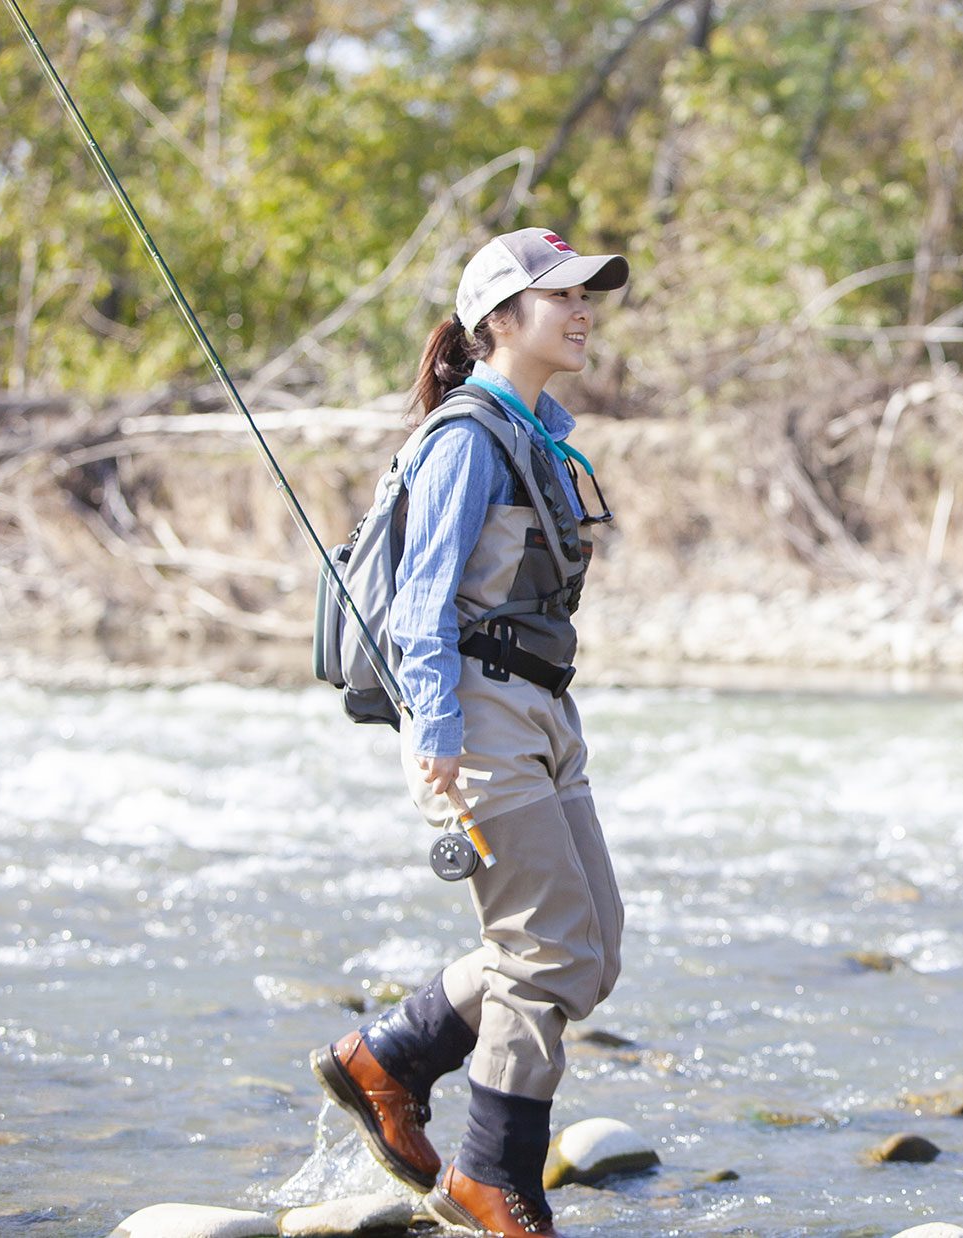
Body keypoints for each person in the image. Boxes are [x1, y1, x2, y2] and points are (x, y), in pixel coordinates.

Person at [310, 227, 631, 1237]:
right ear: (498, 320)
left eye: (588, 297)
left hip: (545, 704)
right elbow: (420, 601)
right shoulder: (464, 438)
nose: (582, 312)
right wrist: (435, 732)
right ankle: (492, 1179)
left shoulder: (541, 431)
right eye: (559, 297)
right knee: (543, 949)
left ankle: (393, 1054)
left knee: (589, 946)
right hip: (479, 709)